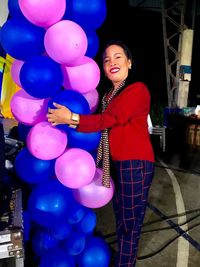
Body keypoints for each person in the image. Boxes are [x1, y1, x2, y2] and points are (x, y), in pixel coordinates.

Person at [47, 40, 155, 267]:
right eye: (106, 60)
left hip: (134, 163)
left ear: (129, 62)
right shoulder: (108, 96)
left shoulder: (137, 89)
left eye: (118, 57)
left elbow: (110, 120)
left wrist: (72, 119)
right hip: (117, 163)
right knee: (123, 218)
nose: (112, 62)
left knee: (129, 223)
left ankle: (125, 264)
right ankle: (126, 259)